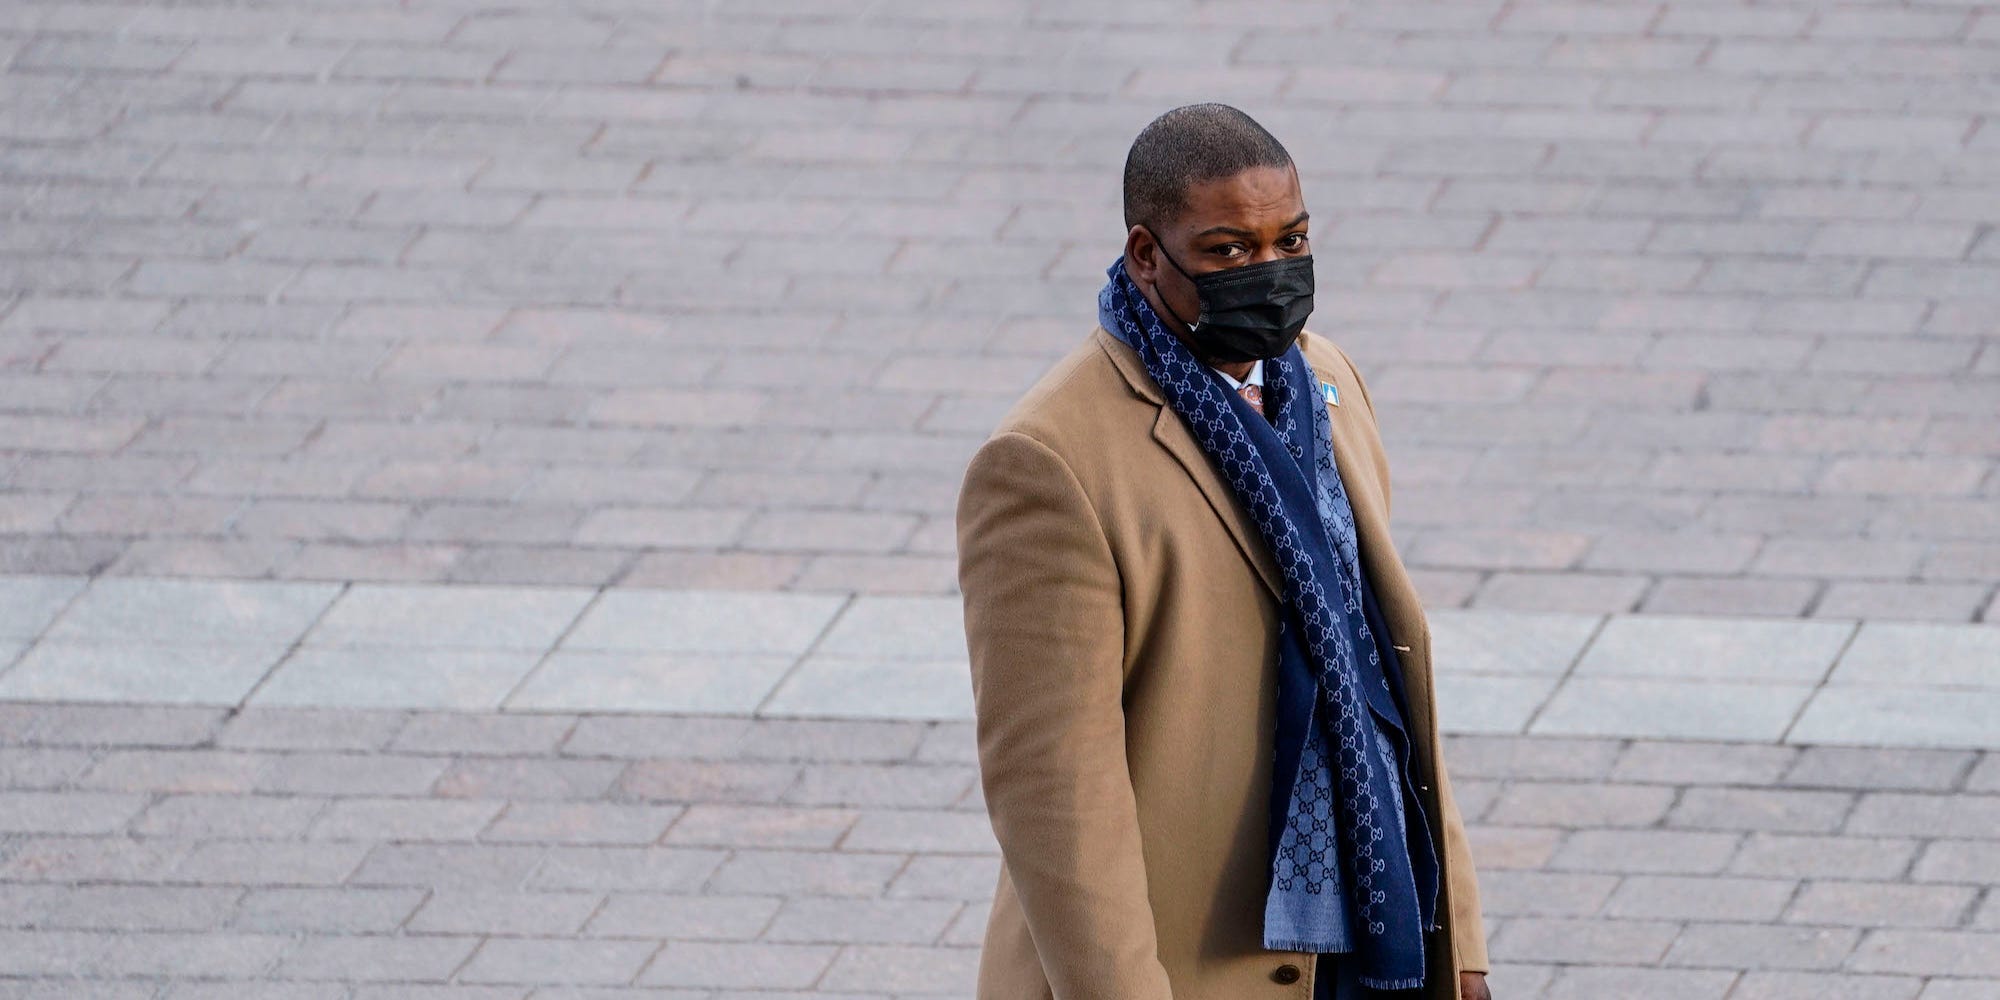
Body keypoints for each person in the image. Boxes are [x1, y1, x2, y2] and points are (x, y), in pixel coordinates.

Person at [955, 103, 1493, 1000]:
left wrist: (1461, 938)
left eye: (1292, 240)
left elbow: (1386, 679)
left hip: (1365, 939)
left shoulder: (1328, 384)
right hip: (1189, 964)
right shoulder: (1047, 464)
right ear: (1145, 255)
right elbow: (1053, 794)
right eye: (1229, 252)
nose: (1271, 272)